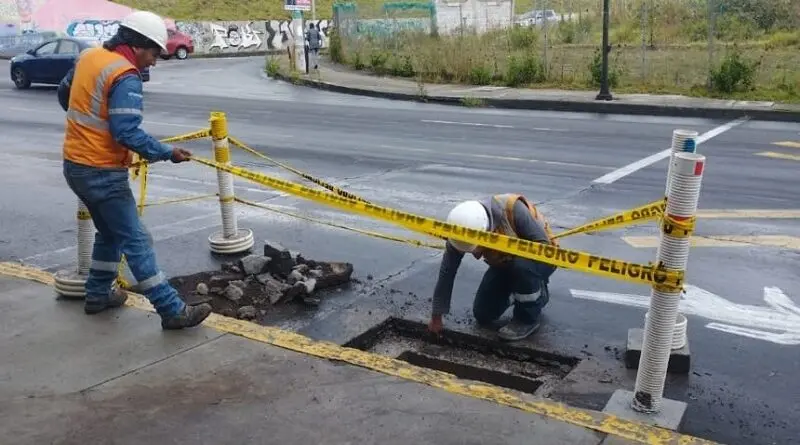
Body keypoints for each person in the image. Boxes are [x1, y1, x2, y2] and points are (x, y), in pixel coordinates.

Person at [57, 10, 212, 330]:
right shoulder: (125, 76)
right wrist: (168, 153)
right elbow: (126, 133)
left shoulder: (90, 57)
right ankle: (172, 311)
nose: (155, 62)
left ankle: (97, 295)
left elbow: (65, 95)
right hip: (102, 172)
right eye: (155, 53)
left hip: (75, 166)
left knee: (111, 234)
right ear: (138, 45)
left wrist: (86, 131)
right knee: (137, 241)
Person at [428, 194, 558, 341]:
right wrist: (436, 316)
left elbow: (545, 249)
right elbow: (447, 272)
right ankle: (524, 292)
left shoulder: (513, 210)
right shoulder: (460, 230)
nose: (475, 254)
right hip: (504, 263)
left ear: (487, 231)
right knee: (483, 314)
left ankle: (527, 318)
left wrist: (518, 260)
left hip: (538, 261)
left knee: (521, 266)